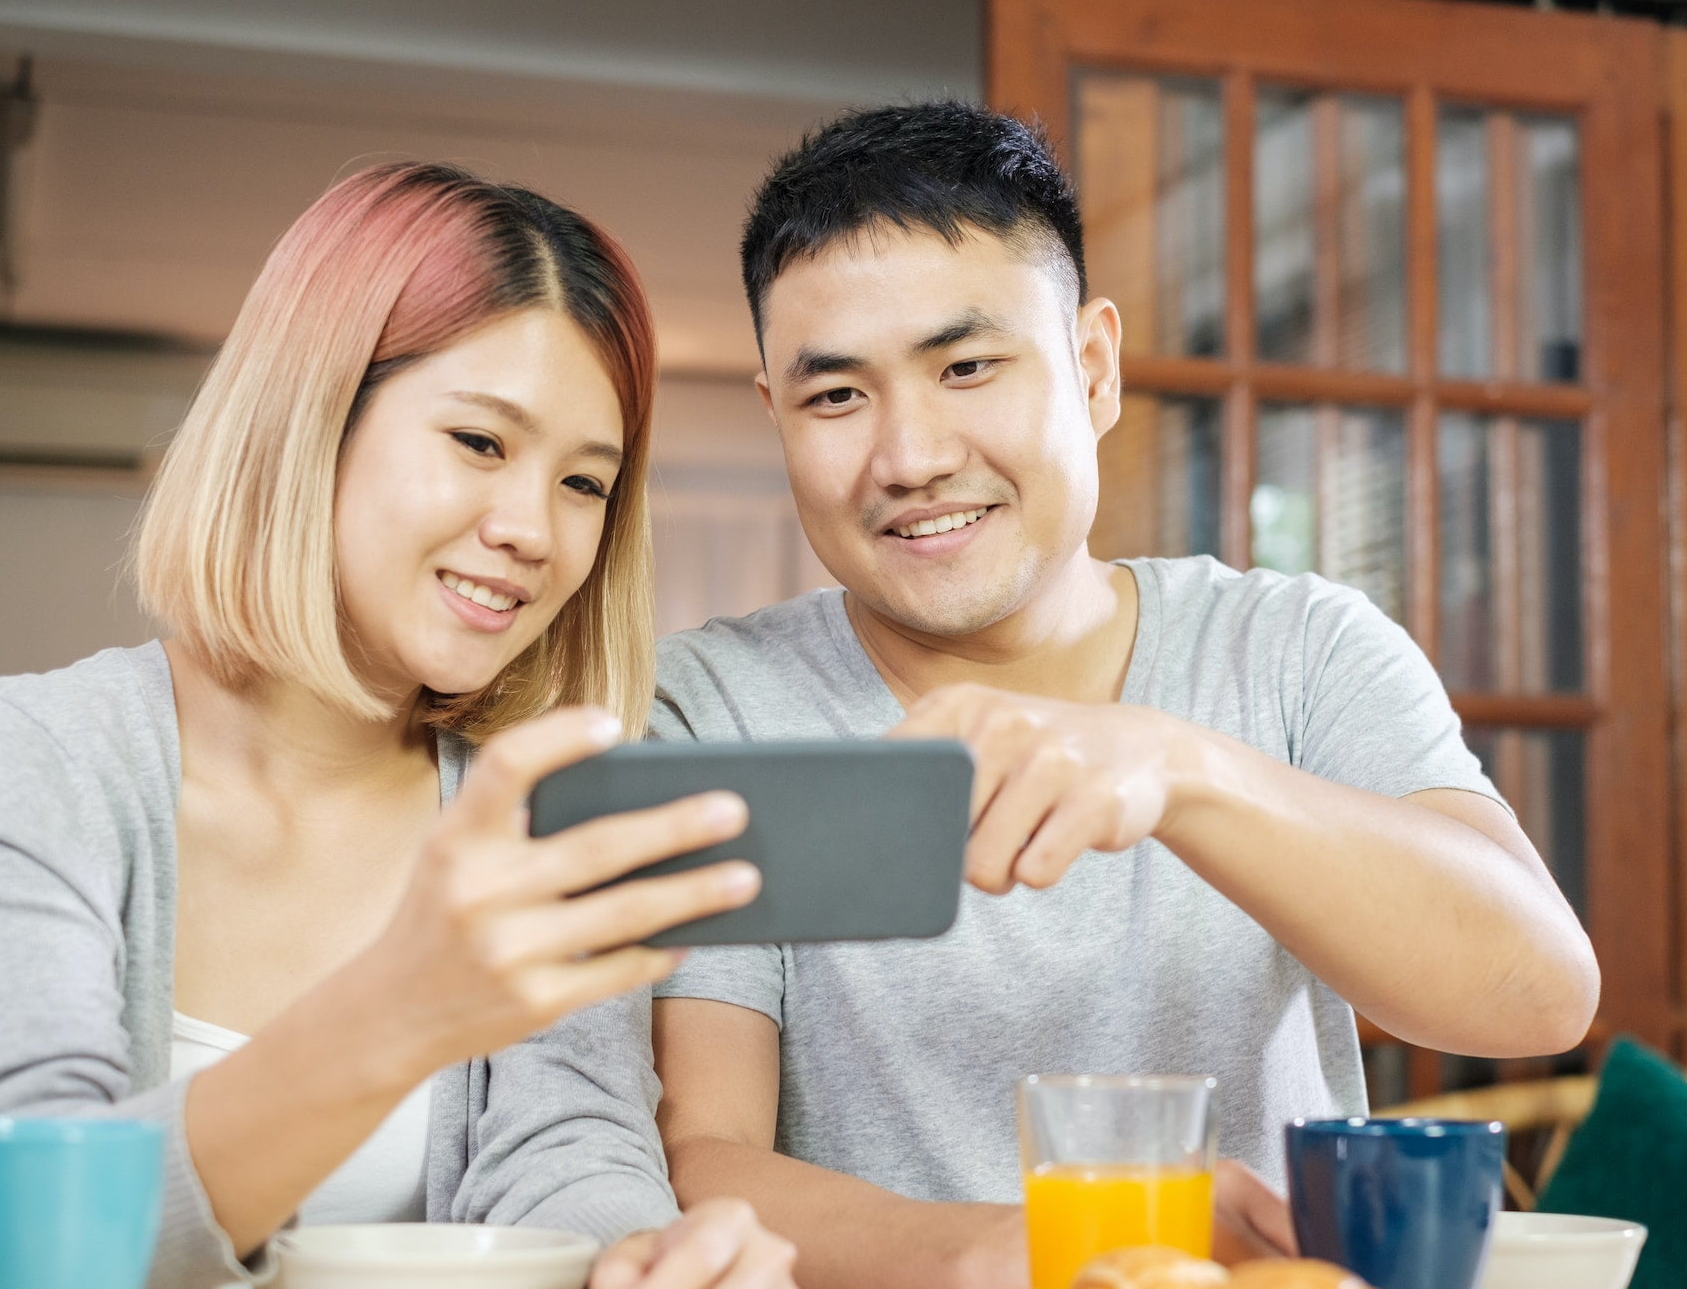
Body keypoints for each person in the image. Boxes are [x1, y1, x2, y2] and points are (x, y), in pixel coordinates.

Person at [629, 102, 1602, 1289]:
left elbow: (1535, 991)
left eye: (967, 366)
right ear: (776, 412)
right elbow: (702, 1158)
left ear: (1091, 367)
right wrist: (1017, 1254)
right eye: (836, 397)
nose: (909, 455)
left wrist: (1181, 769)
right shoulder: (712, 703)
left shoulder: (1294, 647)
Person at [0, 163, 796, 1289]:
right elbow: (19, 1246)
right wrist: (402, 1006)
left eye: (584, 483)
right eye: (480, 443)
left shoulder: (533, 814)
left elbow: (565, 1143)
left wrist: (642, 1251)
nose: (532, 529)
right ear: (311, 419)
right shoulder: (32, 771)